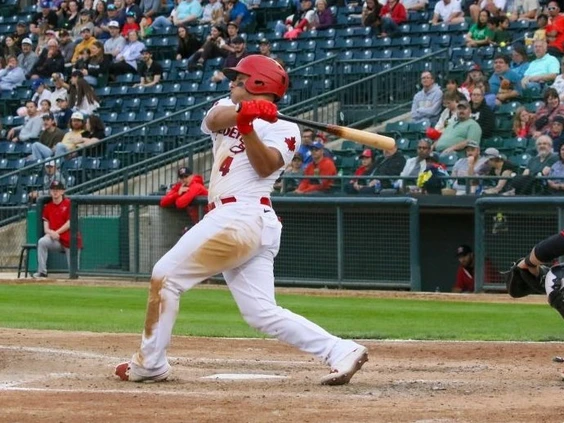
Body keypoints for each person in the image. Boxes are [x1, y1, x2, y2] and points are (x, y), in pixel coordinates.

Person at [114, 55, 368, 385]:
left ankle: (150, 363)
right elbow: (214, 119)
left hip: (243, 216)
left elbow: (265, 166)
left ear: (258, 83)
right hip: (239, 219)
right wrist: (243, 113)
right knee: (261, 313)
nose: (232, 83)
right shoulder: (227, 107)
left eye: (239, 79)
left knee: (165, 276)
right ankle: (340, 350)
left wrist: (249, 128)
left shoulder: (286, 128)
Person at [33, 179, 83, 279]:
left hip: (70, 240)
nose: (55, 192)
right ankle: (42, 272)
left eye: (58, 189)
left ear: (62, 191)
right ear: (50, 192)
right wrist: (51, 233)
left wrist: (56, 232)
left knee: (74, 274)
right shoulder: (48, 207)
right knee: (42, 241)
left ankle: (74, 276)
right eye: (53, 189)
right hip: (56, 240)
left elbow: (70, 223)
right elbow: (46, 227)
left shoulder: (69, 203)